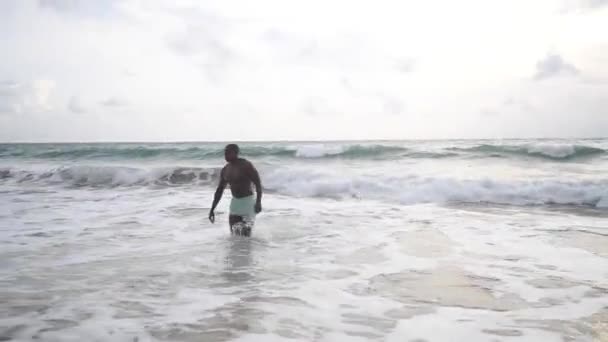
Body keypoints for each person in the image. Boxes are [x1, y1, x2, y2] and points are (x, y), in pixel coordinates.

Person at [209, 144, 262, 236]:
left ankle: (247, 250)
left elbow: (258, 184)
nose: (225, 155)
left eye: (228, 152)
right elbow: (219, 190)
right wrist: (212, 209)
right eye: (225, 152)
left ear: (236, 153)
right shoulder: (225, 170)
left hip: (248, 203)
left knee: (246, 235)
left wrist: (258, 202)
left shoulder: (246, 165)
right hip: (235, 204)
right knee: (234, 236)